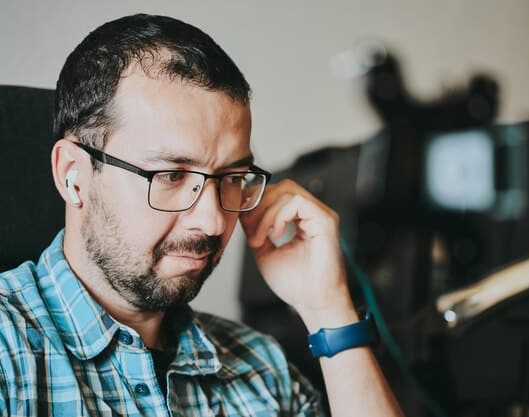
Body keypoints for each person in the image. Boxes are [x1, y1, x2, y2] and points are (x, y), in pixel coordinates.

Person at [0, 13, 404, 417]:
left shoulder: (262, 369)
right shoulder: (8, 354)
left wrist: (327, 308)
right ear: (73, 176)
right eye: (172, 174)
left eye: (233, 177)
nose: (212, 221)